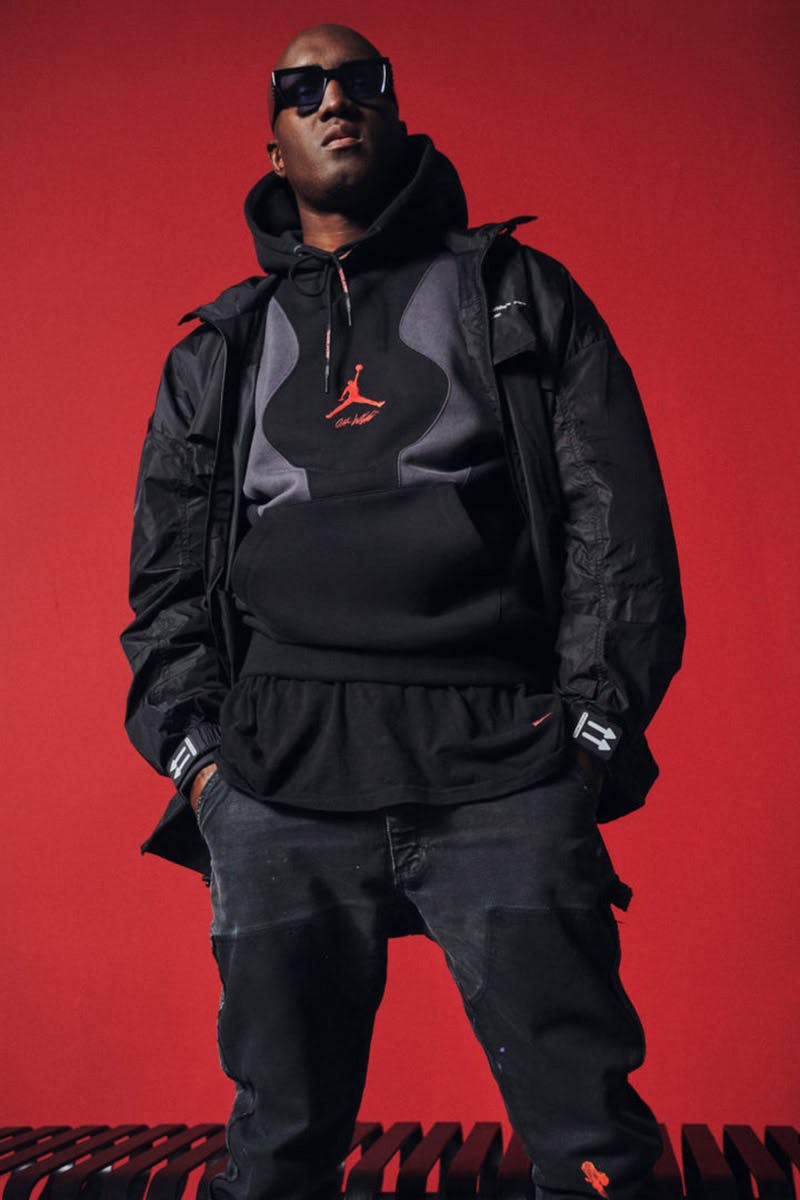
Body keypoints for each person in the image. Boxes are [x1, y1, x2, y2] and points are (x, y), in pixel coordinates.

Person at [121, 22, 685, 1200]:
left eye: (359, 80)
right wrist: (202, 768)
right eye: (302, 88)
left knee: (593, 1149)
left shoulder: (516, 297)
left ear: (394, 109)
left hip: (503, 758)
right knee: (275, 1159)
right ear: (272, 143)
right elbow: (164, 585)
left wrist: (587, 741)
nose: (334, 101)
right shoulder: (220, 350)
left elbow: (619, 530)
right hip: (278, 777)